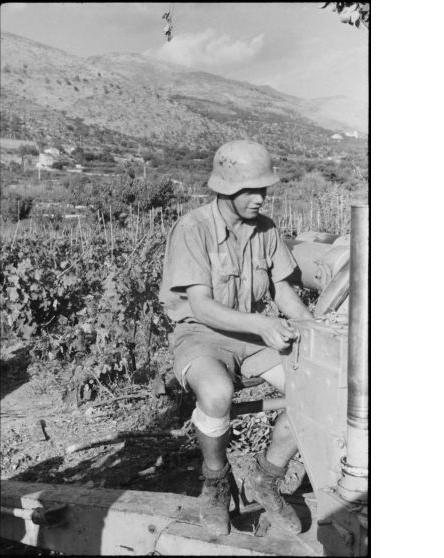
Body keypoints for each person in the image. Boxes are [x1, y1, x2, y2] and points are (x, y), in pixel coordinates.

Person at [159, 139, 314, 537]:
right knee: (216, 393)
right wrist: (261, 325)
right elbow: (202, 306)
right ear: (225, 189)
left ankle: (266, 476)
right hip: (201, 333)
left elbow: (282, 290)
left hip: (251, 336)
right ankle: (215, 482)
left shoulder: (266, 230)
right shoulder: (193, 227)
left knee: (313, 389)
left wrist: (314, 331)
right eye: (251, 190)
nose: (261, 198)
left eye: (264, 189)